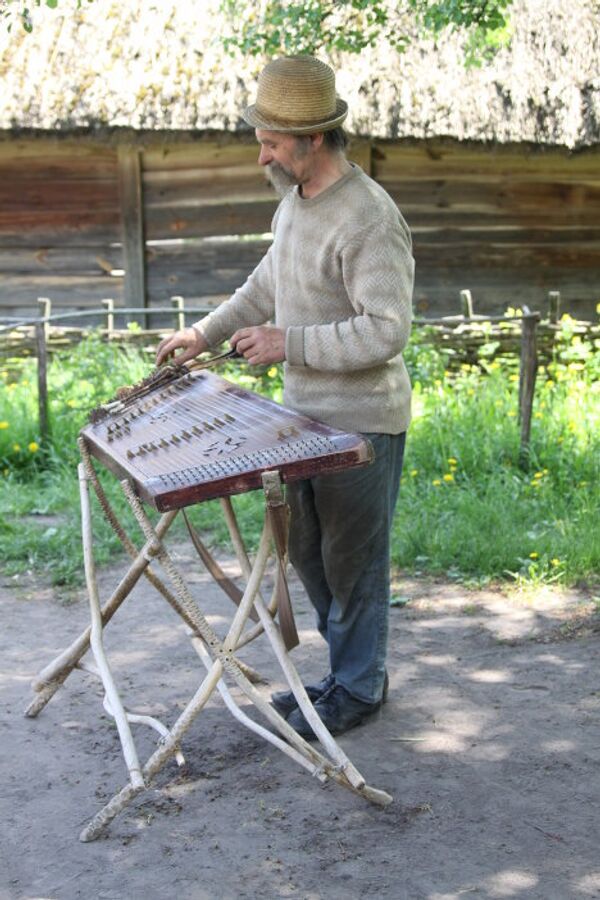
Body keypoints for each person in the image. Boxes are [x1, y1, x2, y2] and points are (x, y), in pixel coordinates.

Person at [156, 56, 414, 739]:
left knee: (352, 566)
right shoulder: (293, 202)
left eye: (271, 141)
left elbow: (386, 332)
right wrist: (203, 334)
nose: (261, 153)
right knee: (310, 558)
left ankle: (359, 690)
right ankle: (348, 677)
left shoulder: (368, 217)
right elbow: (266, 287)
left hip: (361, 426)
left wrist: (287, 344)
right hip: (302, 422)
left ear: (314, 140)